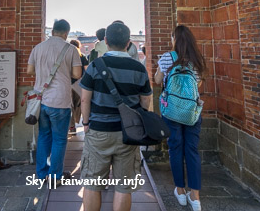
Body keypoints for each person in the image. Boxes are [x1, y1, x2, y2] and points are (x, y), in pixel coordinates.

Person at [80, 22, 153, 211]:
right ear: (129, 43)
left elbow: (85, 100)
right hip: (128, 133)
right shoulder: (138, 68)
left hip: (99, 131)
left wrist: (86, 124)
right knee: (124, 187)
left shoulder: (95, 65)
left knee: (92, 184)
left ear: (106, 41)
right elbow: (146, 101)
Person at [153, 25, 206, 211]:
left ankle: (180, 191)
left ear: (174, 39)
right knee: (192, 150)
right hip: (191, 111)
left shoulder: (168, 57)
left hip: (172, 111)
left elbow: (158, 81)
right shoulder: (197, 59)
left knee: (175, 148)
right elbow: (197, 85)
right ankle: (196, 197)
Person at [27, 19, 82, 182]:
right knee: (59, 139)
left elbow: (30, 70)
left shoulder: (38, 47)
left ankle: (42, 173)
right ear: (66, 33)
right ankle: (55, 176)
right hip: (60, 100)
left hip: (41, 99)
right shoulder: (70, 49)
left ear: (52, 32)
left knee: (44, 135)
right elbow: (77, 74)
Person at [69, 39, 88, 135]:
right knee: (79, 104)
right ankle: (80, 122)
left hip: (68, 83)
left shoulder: (67, 56)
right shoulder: (82, 56)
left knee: (69, 105)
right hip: (79, 84)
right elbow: (87, 71)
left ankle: (71, 126)